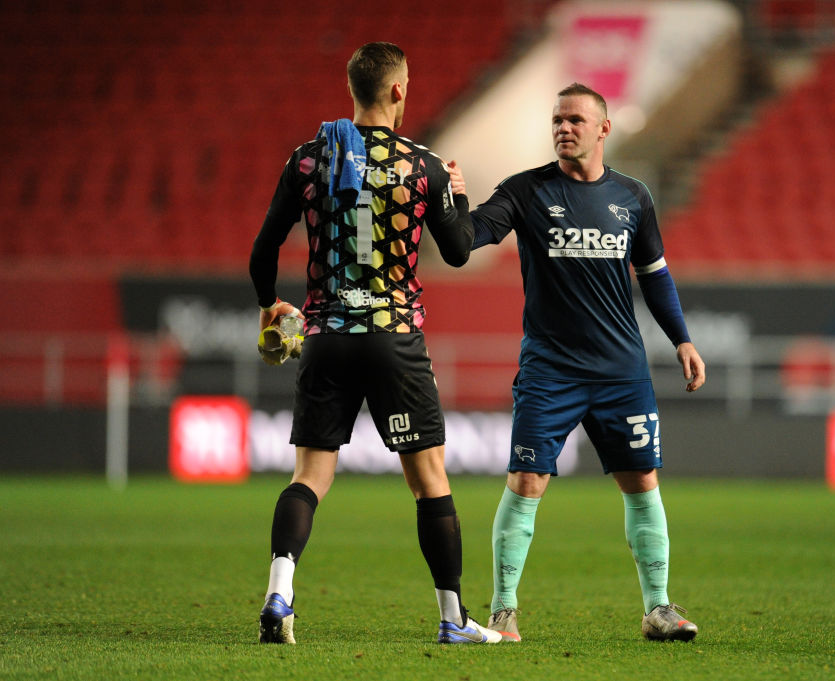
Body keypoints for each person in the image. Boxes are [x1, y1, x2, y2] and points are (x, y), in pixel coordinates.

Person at [249, 41, 500, 645]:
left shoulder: (309, 158)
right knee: (429, 479)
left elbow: (262, 254)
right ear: (397, 91)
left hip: (326, 335)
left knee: (309, 474)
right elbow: (462, 249)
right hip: (394, 338)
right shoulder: (424, 165)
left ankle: (280, 593)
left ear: (352, 89)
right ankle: (451, 618)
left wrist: (270, 307)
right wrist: (460, 195)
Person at [460, 83, 706, 642]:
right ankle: (503, 611)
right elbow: (471, 235)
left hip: (621, 370)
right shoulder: (525, 191)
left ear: (602, 130)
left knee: (642, 482)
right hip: (550, 370)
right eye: (557, 119)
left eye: (575, 119)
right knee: (526, 481)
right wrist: (454, 206)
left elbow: (656, 275)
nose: (564, 127)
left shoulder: (633, 198)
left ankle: (658, 609)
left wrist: (682, 339)